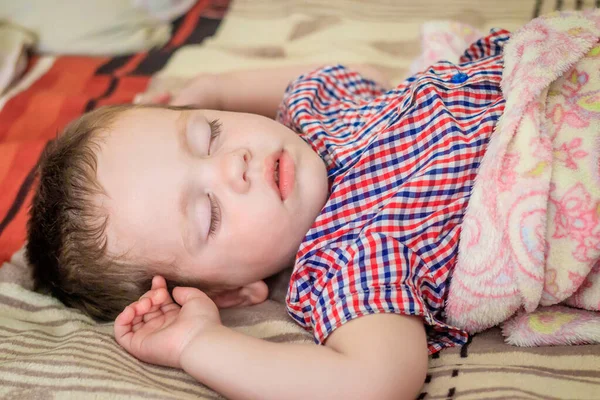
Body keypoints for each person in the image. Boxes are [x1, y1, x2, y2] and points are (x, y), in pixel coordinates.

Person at [26, 28, 510, 399]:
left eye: (209, 134)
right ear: (236, 291)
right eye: (210, 215)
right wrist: (196, 344)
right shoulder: (351, 262)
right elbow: (370, 385)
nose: (232, 166)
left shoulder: (311, 114)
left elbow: (353, 72)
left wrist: (212, 90)